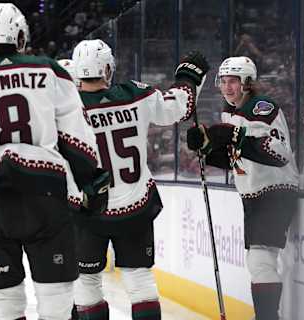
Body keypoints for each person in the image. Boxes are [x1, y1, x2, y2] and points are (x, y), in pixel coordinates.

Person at [0, 3, 109, 320]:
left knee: (6, 306)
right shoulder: (51, 70)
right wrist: (91, 183)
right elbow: (77, 138)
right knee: (56, 304)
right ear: (20, 34)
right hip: (47, 197)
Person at [70, 39, 209, 320]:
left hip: (88, 212)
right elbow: (180, 106)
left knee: (87, 282)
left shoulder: (66, 109)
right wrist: (188, 78)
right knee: (140, 281)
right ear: (108, 69)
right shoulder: (135, 95)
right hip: (134, 207)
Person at [186, 56, 299, 320]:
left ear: (247, 82)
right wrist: (207, 150)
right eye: (223, 81)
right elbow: (239, 158)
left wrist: (234, 136)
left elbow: (279, 153)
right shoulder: (232, 114)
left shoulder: (262, 107)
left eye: (233, 81)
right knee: (258, 261)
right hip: (255, 195)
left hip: (274, 191)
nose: (227, 87)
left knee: (260, 261)